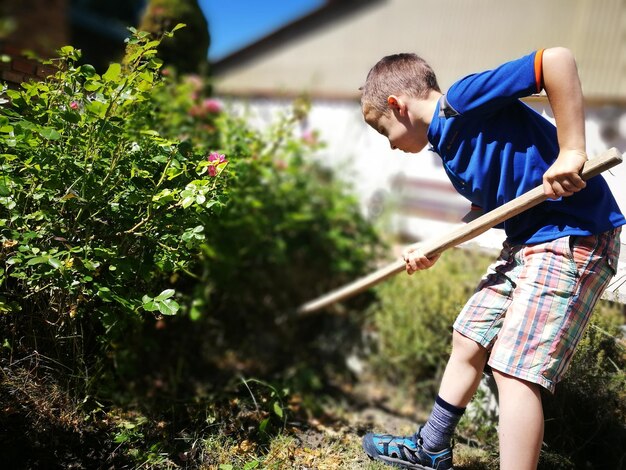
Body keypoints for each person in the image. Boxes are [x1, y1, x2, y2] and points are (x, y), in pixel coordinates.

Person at [359, 48, 625, 470]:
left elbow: (555, 60)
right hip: (526, 243)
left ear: (398, 105)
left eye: (382, 131)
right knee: (469, 337)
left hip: (573, 233)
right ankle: (432, 445)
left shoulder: (462, 102)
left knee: (514, 368)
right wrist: (438, 245)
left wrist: (571, 150)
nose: (390, 146)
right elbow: (490, 210)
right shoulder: (450, 150)